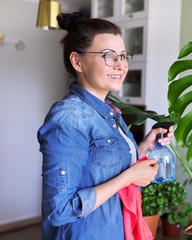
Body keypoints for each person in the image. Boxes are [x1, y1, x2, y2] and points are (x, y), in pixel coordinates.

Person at [37, 12, 173, 240]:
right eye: (109, 56)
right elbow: (59, 211)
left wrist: (144, 148)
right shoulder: (68, 118)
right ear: (77, 61)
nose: (121, 65)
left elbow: (99, 168)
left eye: (123, 56)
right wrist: (129, 177)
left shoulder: (109, 112)